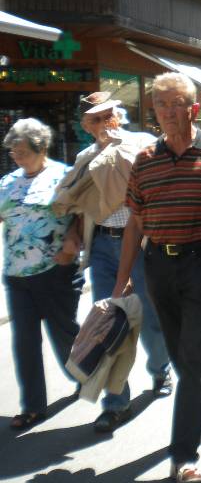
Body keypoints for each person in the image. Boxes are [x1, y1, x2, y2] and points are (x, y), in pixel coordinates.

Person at [113, 72, 201, 483]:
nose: (168, 111)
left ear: (194, 109)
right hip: (158, 266)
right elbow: (135, 225)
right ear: (153, 110)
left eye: (176, 104)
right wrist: (122, 280)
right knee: (182, 356)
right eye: (160, 104)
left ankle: (184, 456)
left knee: (191, 357)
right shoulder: (145, 160)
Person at [53, 92, 172, 433]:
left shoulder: (143, 144)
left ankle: (161, 369)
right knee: (108, 322)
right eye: (96, 119)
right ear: (85, 125)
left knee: (149, 319)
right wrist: (73, 235)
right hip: (104, 246)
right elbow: (78, 204)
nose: (104, 123)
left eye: (108, 115)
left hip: (140, 246)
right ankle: (116, 403)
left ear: (118, 115)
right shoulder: (85, 158)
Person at [1, 118, 82, 430]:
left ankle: (85, 375)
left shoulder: (64, 176)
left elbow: (83, 215)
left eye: (22, 152)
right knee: (25, 341)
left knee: (64, 336)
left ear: (41, 148)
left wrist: (72, 242)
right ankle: (33, 406)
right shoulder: (8, 182)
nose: (17, 158)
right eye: (13, 153)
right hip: (16, 274)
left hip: (55, 271)